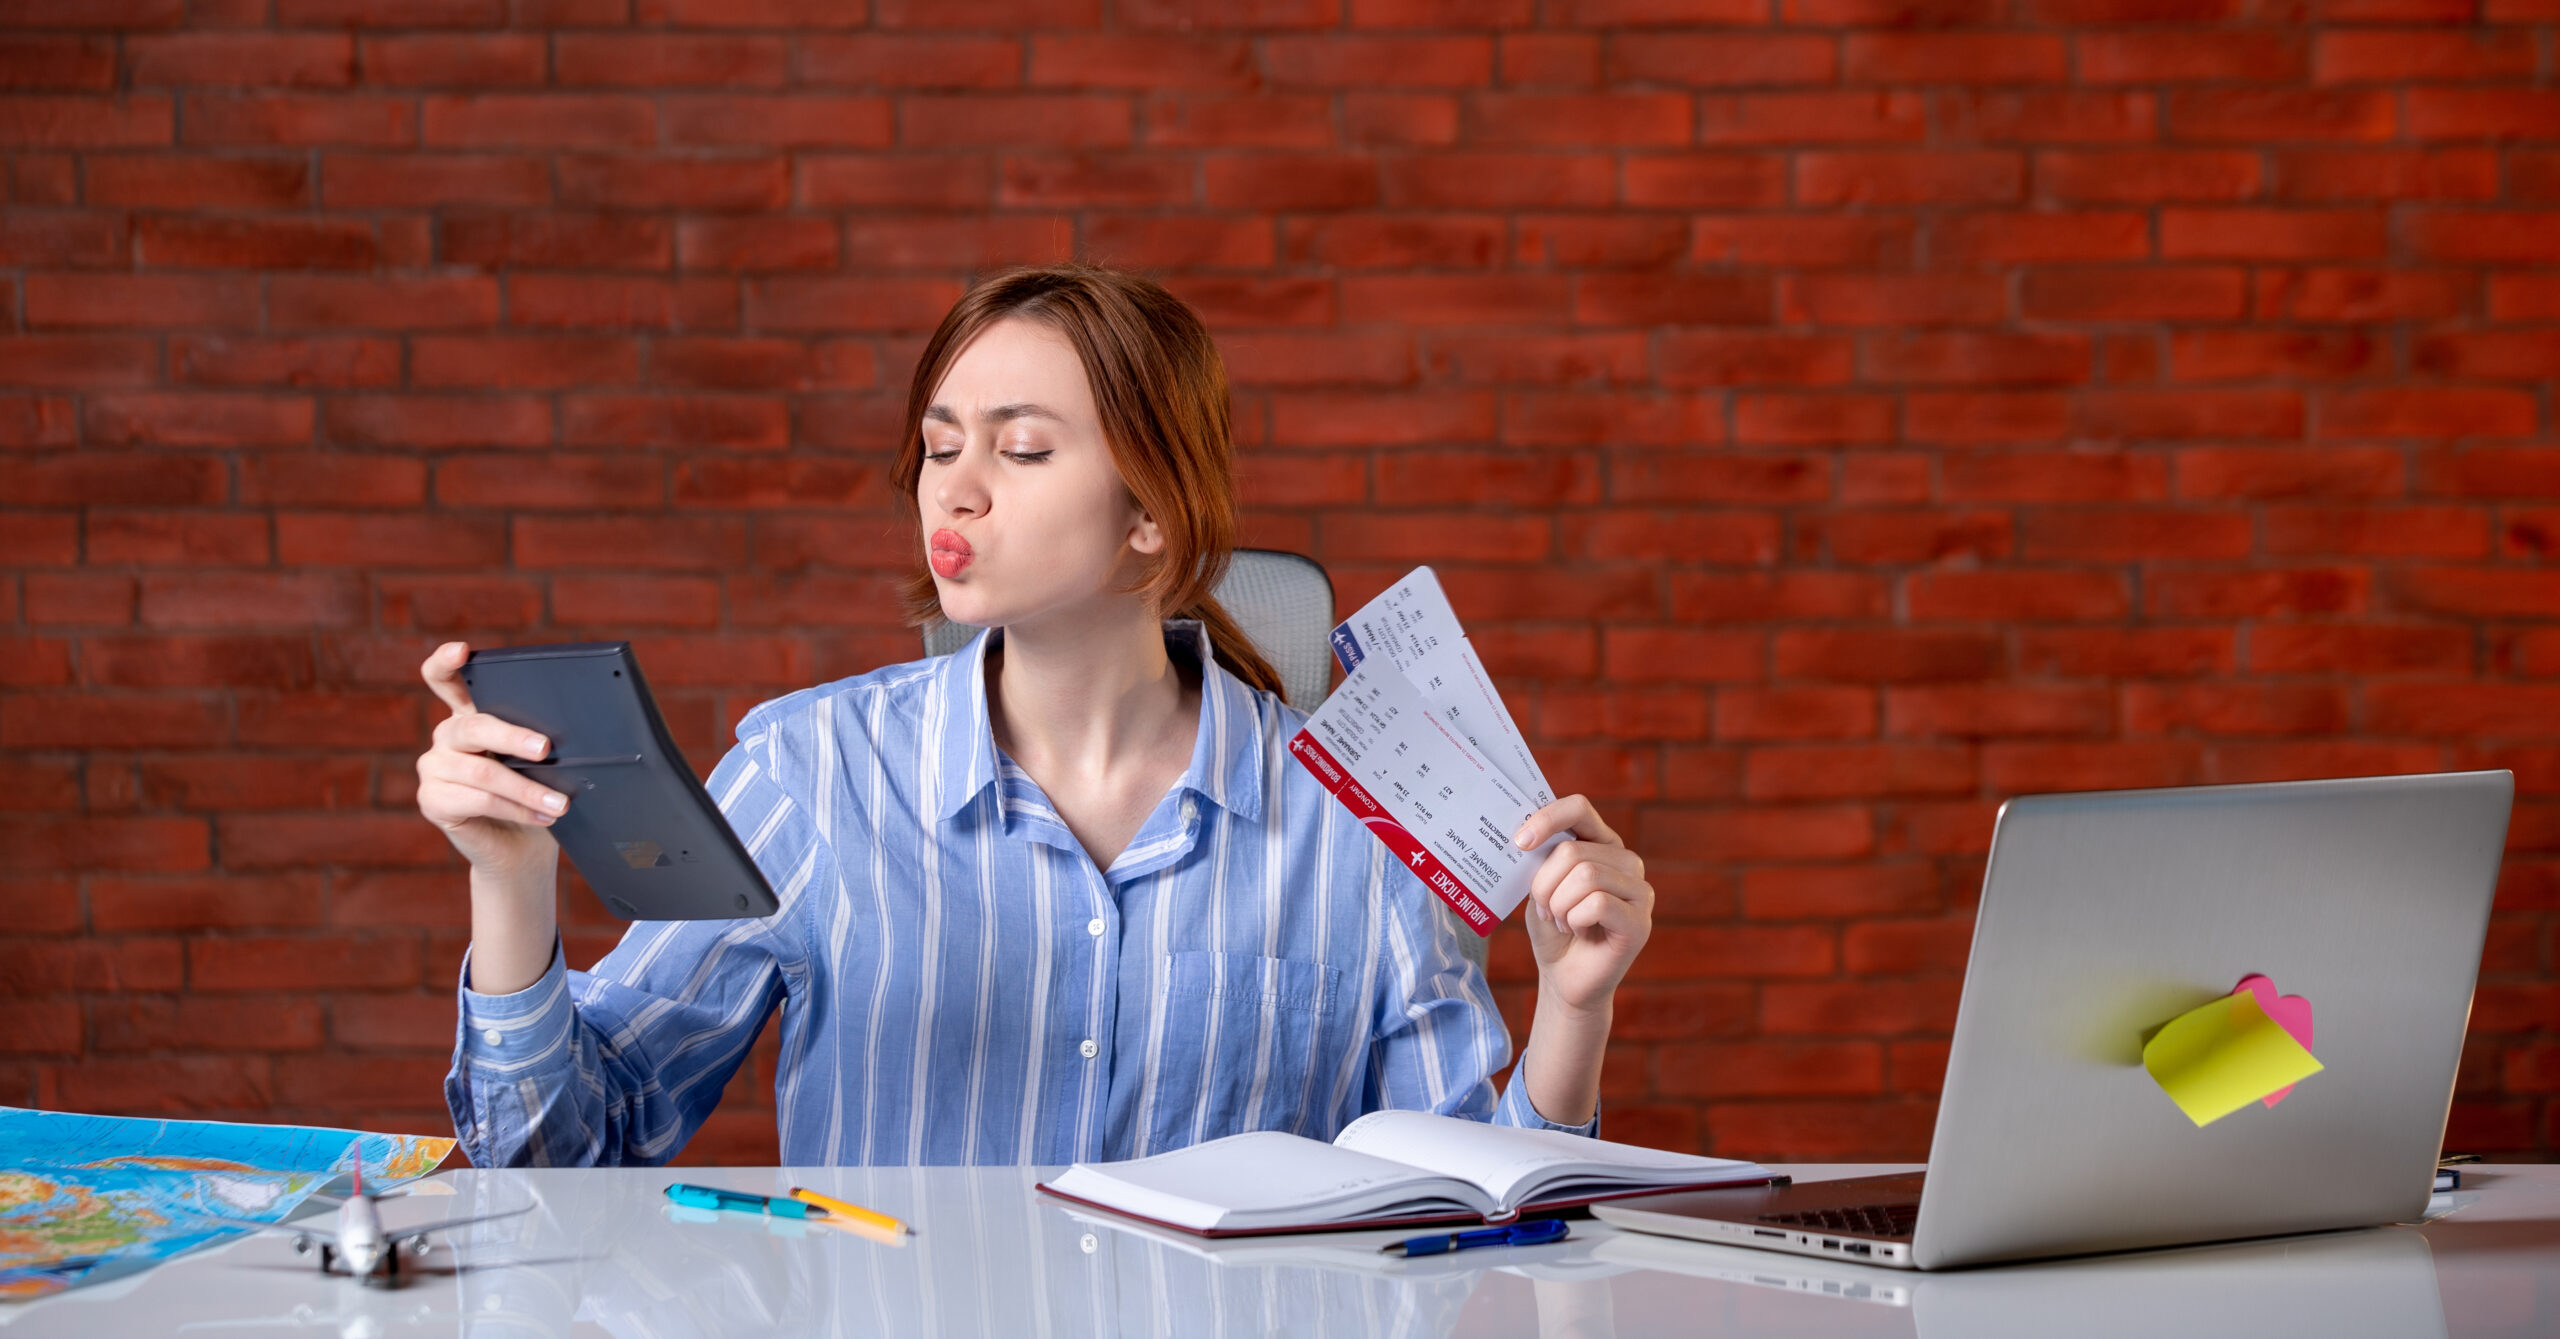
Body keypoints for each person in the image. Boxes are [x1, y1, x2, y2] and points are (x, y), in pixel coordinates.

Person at [420, 265, 1655, 1166]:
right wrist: (513, 883)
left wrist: (1571, 1008)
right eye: (939, 443)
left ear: (1152, 515)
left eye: (1020, 451)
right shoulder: (813, 773)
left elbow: (1473, 1223)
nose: (952, 486)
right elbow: (561, 1155)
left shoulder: (1351, 820)